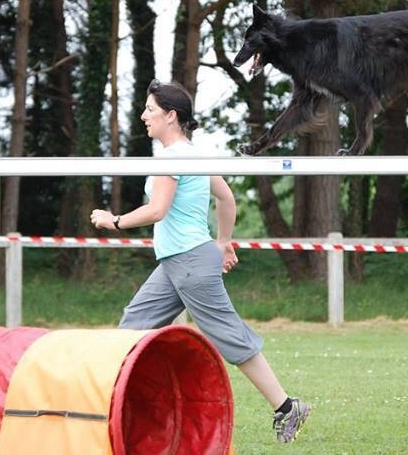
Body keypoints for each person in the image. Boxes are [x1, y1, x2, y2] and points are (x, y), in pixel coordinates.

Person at [90, 79, 311, 445]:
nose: (144, 116)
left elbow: (157, 209)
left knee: (228, 335)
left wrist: (113, 221)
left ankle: (288, 408)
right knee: (132, 326)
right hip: (180, 261)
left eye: (150, 110)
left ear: (171, 116)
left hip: (190, 261)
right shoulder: (195, 154)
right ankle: (111, 408)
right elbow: (227, 200)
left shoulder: (173, 158)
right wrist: (222, 243)